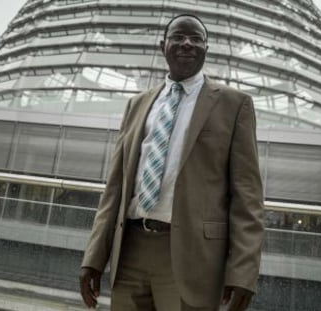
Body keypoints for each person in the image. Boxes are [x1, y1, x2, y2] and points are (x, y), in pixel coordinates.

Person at [79, 14, 264, 311]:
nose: (187, 44)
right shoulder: (137, 104)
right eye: (178, 37)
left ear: (207, 47)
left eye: (196, 38)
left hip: (193, 258)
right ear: (162, 45)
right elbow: (114, 189)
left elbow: (248, 198)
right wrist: (94, 257)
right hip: (129, 251)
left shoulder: (234, 104)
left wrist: (243, 273)